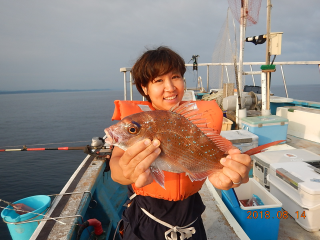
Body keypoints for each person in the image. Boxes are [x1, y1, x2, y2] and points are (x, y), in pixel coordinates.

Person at [109, 46, 251, 240]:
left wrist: (228, 168)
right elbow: (116, 166)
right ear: (144, 88)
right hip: (146, 220)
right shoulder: (141, 124)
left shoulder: (194, 120)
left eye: (175, 77)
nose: (170, 87)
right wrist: (127, 171)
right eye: (158, 80)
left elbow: (221, 151)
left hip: (191, 216)